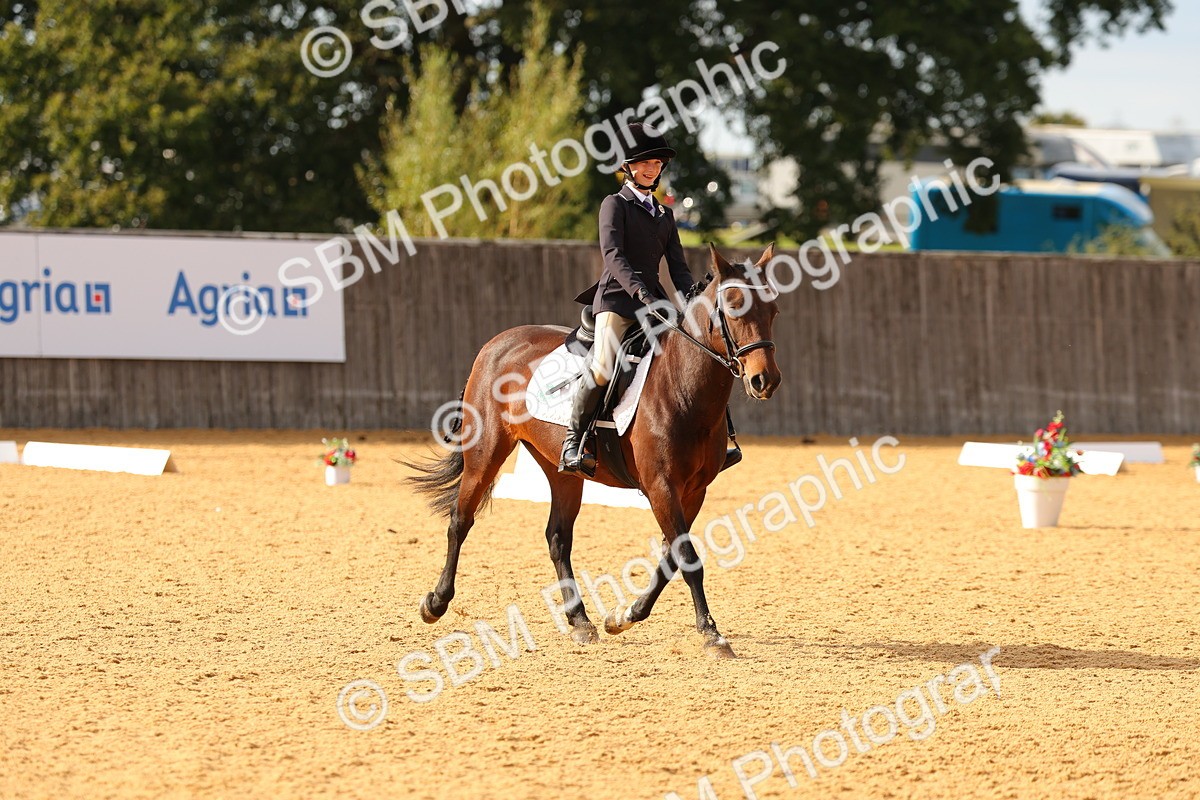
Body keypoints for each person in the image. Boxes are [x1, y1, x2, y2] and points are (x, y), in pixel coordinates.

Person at [559, 122, 697, 475]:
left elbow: (678, 267)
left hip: (654, 304)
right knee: (604, 365)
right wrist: (639, 290)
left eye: (657, 164)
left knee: (694, 360)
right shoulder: (614, 205)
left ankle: (719, 438)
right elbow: (613, 255)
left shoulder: (665, 215)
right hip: (618, 301)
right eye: (644, 163)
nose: (652, 169)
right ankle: (573, 442)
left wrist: (692, 297)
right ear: (628, 167)